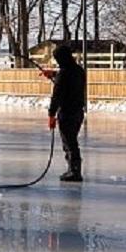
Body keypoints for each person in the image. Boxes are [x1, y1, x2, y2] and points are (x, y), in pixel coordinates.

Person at [47, 44, 86, 182]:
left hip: (67, 113)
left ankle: (74, 171)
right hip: (78, 112)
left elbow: (57, 95)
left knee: (69, 143)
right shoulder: (79, 70)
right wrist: (54, 75)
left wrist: (51, 114)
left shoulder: (63, 74)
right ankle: (74, 169)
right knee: (72, 141)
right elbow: (68, 81)